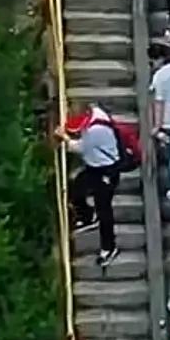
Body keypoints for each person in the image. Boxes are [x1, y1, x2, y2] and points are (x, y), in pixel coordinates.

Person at [58, 104, 120, 266]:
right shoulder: (96, 113)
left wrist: (64, 137)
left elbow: (79, 148)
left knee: (104, 209)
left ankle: (109, 247)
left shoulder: (95, 130)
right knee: (75, 188)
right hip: (94, 166)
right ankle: (87, 216)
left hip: (106, 171)